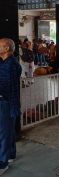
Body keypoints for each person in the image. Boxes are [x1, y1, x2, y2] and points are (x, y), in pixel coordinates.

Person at [0, 38, 22, 175]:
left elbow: (12, 88)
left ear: (6, 48)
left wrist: (13, 108)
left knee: (3, 133)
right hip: (6, 102)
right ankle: (12, 154)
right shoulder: (4, 62)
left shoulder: (12, 65)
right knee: (8, 131)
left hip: (6, 102)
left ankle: (3, 163)